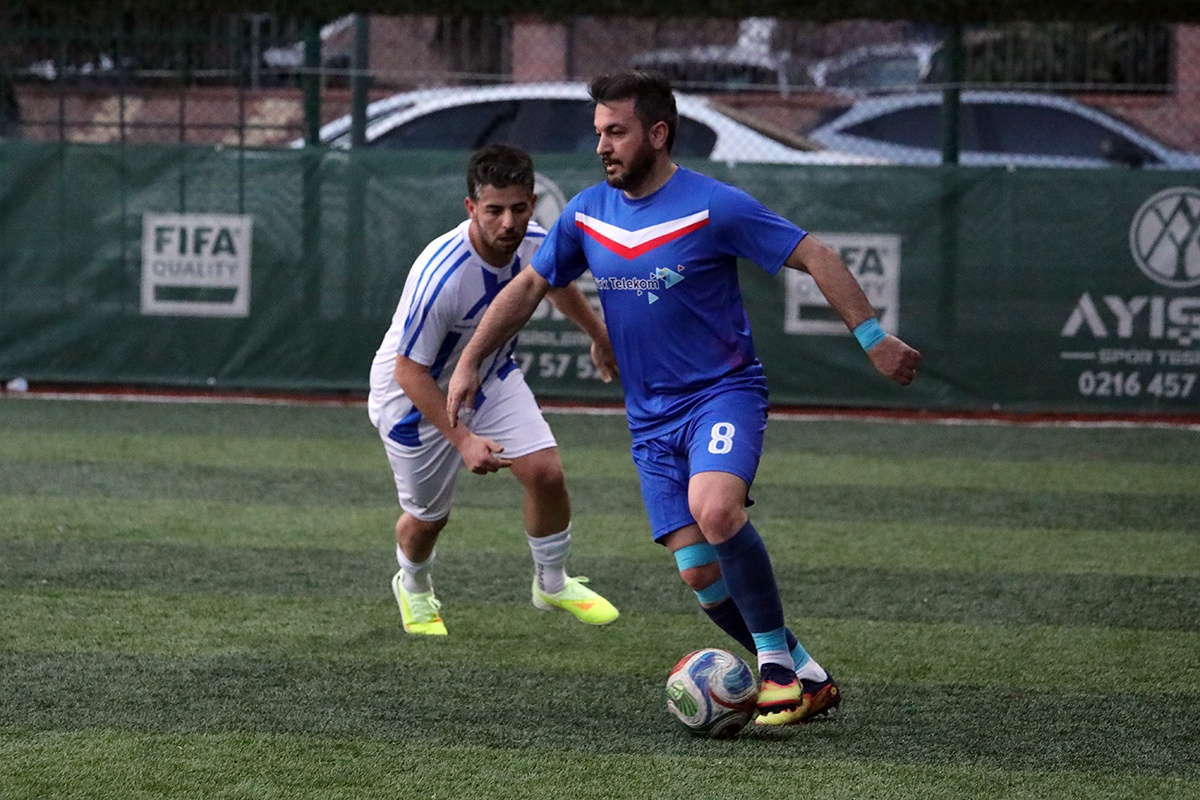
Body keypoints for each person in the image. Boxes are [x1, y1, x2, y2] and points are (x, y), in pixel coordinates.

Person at [447, 71, 922, 725]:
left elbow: (816, 255)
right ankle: (808, 675)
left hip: (721, 395)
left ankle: (775, 671)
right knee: (699, 573)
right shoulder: (587, 213)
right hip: (650, 421)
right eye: (598, 133)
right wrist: (470, 360)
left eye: (616, 132)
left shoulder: (714, 205)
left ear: (657, 134)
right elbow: (530, 287)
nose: (602, 146)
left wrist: (873, 337)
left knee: (716, 509)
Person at [368, 143, 621, 636]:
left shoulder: (536, 242)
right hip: (415, 399)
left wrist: (598, 334)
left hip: (491, 375)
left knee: (546, 473)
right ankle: (413, 584)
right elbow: (409, 371)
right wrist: (462, 440)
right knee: (427, 519)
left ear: (533, 203)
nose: (509, 223)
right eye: (494, 210)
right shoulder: (441, 275)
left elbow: (552, 281)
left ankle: (552, 582)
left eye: (519, 209)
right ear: (471, 207)